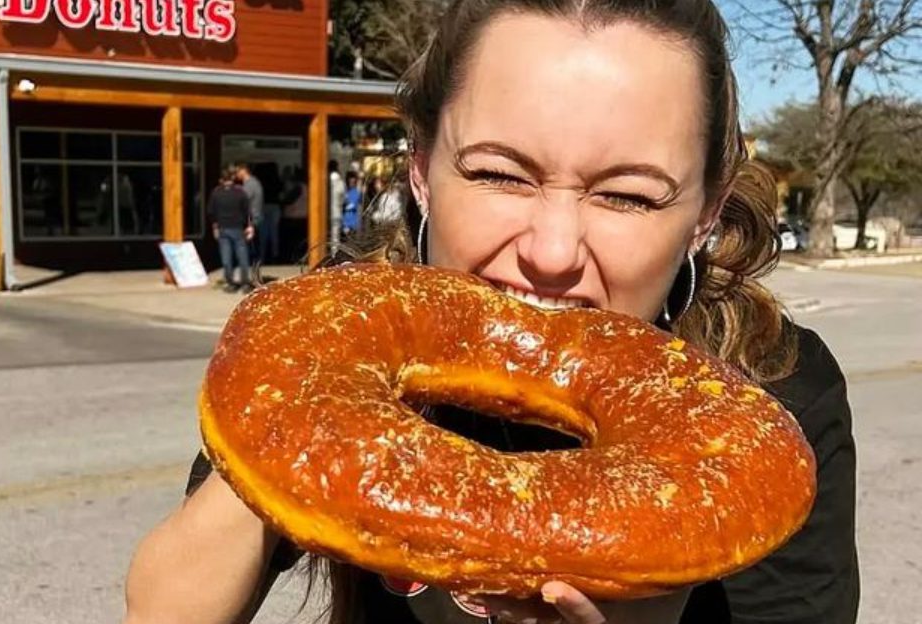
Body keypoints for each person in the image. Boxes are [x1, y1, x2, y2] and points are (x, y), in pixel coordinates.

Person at [122, 1, 859, 623]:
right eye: (498, 174)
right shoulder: (339, 335)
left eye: (629, 194)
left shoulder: (775, 394)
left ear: (705, 212)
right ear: (420, 170)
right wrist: (299, 427)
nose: (553, 249)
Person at [208, 167, 255, 293]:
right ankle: (245, 283)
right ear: (233, 179)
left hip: (223, 228)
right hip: (238, 228)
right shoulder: (240, 192)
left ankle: (230, 283)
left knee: (226, 257)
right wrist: (250, 227)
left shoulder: (216, 193)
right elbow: (247, 212)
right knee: (242, 256)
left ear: (221, 180)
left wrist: (215, 227)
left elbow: (212, 212)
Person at [341, 171, 363, 238]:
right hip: (345, 222)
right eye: (350, 182)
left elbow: (352, 205)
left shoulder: (356, 192)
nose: (351, 184)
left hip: (353, 223)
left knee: (350, 242)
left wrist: (343, 205)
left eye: (353, 182)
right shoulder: (345, 191)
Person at [329, 159, 345, 247]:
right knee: (335, 236)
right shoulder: (340, 181)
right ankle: (333, 254)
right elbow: (343, 198)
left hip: (325, 212)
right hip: (336, 212)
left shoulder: (323, 179)